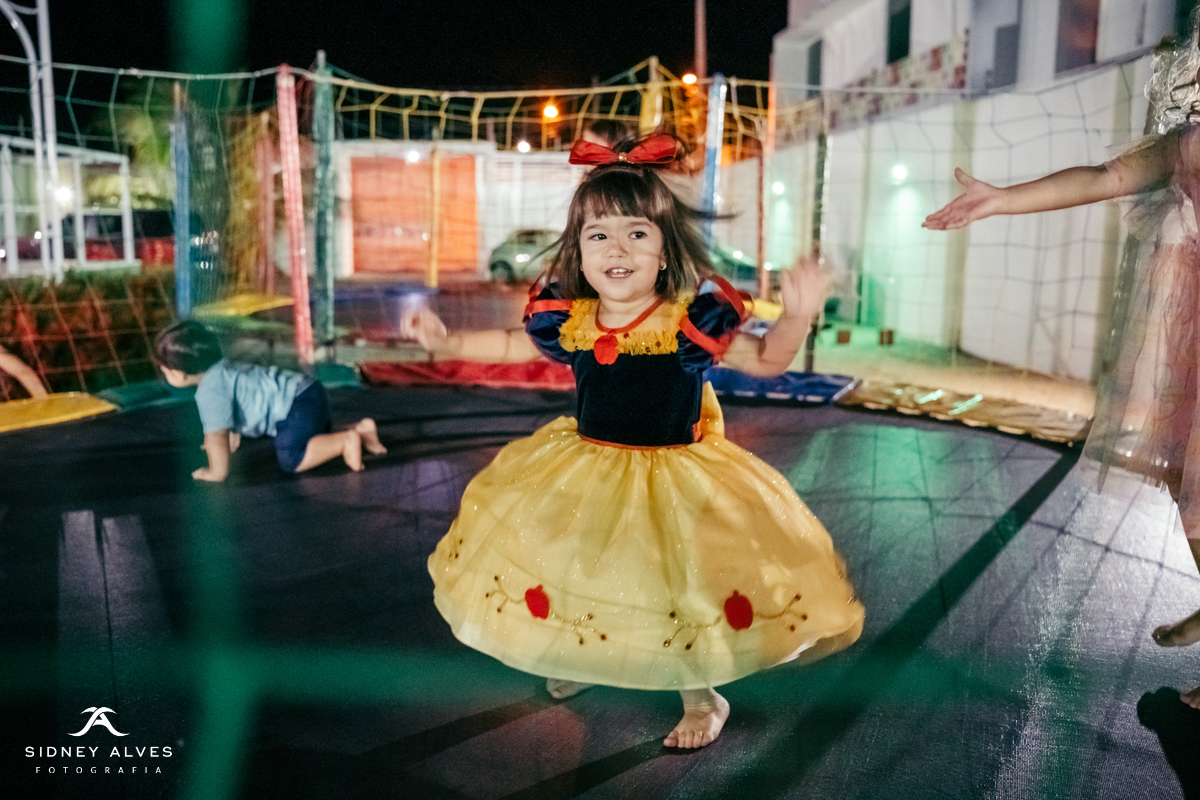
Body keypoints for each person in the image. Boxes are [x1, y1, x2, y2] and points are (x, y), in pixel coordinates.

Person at [404, 133, 864, 748]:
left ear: (665, 251)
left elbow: (767, 360)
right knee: (577, 567)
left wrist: (798, 315)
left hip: (673, 478)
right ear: (579, 251)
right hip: (587, 467)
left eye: (636, 233)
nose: (616, 248)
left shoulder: (686, 322)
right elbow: (514, 347)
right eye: (598, 235)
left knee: (676, 589)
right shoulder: (573, 318)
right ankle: (580, 656)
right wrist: (448, 342)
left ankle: (702, 696)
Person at [923, 31, 1200, 709]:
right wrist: (1002, 197)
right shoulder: (1189, 144)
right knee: (1188, 485)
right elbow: (1102, 178)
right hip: (1193, 339)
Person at [153, 320, 386, 481]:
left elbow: (216, 436)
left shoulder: (210, 392)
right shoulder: (225, 367)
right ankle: (362, 430)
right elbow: (232, 417)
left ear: (178, 374)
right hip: (309, 390)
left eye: (164, 370)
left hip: (294, 408)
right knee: (311, 435)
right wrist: (231, 440)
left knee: (292, 457)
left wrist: (216, 472)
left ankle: (345, 441)